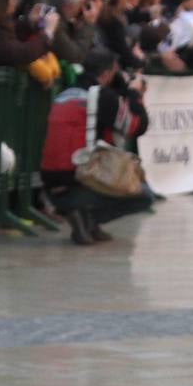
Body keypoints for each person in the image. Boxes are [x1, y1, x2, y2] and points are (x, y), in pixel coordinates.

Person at [39, 48, 153, 244]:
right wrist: (134, 93)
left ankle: (82, 217)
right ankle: (88, 219)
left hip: (49, 185)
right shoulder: (102, 97)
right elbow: (137, 126)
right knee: (145, 195)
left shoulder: (65, 94)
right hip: (78, 181)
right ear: (108, 73)